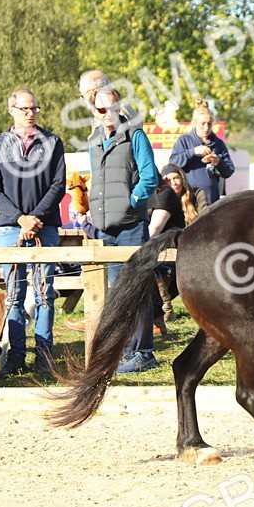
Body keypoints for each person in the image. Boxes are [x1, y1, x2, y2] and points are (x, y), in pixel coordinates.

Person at [0, 88, 66, 377]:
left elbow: (58, 185)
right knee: (14, 296)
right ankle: (15, 357)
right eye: (24, 109)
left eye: (34, 108)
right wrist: (20, 219)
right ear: (12, 110)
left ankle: (44, 359)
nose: (30, 113)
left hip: (46, 227)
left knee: (45, 295)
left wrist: (36, 218)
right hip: (10, 229)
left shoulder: (53, 143)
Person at [87, 82, 160, 373]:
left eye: (113, 107)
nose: (108, 113)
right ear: (94, 110)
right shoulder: (94, 141)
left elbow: (149, 177)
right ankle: (124, 350)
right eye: (101, 109)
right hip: (106, 227)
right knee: (117, 292)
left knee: (136, 289)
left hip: (130, 224)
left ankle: (143, 352)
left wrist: (132, 201)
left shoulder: (136, 136)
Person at [146, 162, 209, 334]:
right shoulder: (159, 198)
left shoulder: (196, 194)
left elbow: (206, 218)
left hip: (192, 245)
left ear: (182, 179)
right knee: (155, 269)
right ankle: (163, 310)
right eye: (168, 179)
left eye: (176, 178)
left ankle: (162, 312)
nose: (173, 182)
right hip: (167, 248)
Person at [168, 99, 234, 206]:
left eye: (209, 124)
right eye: (202, 124)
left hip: (212, 200)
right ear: (195, 123)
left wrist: (218, 162)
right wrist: (192, 152)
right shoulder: (185, 140)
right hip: (190, 199)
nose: (206, 128)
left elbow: (229, 170)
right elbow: (173, 163)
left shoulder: (218, 143)